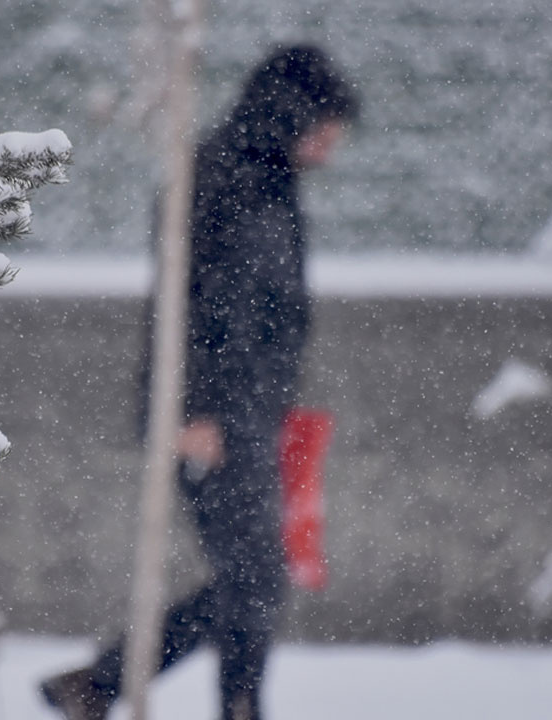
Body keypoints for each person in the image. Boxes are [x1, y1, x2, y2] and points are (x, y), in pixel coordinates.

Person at [40, 44, 358, 720]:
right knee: (257, 577)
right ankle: (131, 691)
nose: (330, 151)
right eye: (325, 132)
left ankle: (102, 687)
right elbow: (189, 307)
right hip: (209, 417)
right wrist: (193, 410)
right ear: (290, 114)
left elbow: (265, 312)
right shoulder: (218, 179)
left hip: (250, 411)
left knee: (256, 578)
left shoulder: (269, 181)